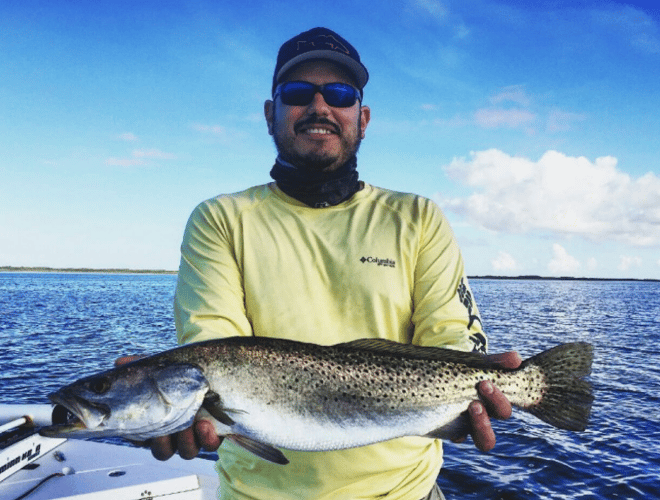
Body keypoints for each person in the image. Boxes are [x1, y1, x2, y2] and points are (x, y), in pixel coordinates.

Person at [146, 27, 521, 500]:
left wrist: (478, 389)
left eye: (339, 93)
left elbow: (450, 338)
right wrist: (182, 413)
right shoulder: (220, 218)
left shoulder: (417, 217)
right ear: (271, 114)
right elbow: (214, 348)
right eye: (298, 93)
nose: (319, 107)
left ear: (362, 118)